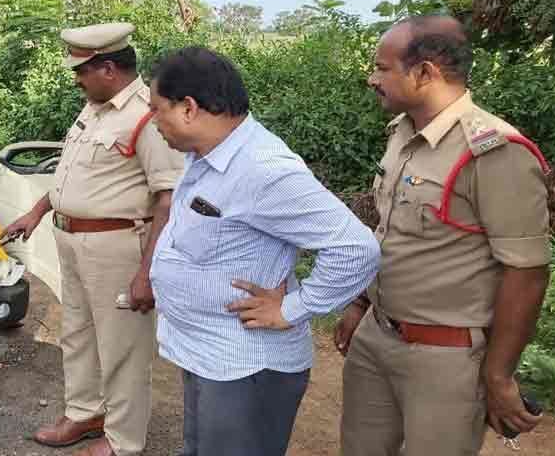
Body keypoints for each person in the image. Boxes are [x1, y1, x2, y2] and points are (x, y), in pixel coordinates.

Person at [147, 46, 380, 456]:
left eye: (156, 109)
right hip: (209, 353)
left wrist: (292, 308)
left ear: (188, 108)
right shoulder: (205, 157)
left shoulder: (263, 169)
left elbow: (356, 247)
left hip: (246, 366)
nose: (152, 121)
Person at [336, 15, 552, 455]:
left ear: (425, 73)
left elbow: (526, 274)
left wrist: (498, 375)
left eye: (382, 68)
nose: (371, 78)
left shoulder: (494, 152)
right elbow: (389, 232)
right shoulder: (402, 133)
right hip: (377, 337)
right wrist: (361, 303)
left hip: (444, 358)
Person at [1, 22, 184, 456]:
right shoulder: (95, 108)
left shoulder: (147, 115)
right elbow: (73, 177)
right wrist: (37, 211)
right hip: (73, 240)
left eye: (81, 72)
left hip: (117, 246)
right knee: (78, 333)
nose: (77, 80)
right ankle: (84, 414)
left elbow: (168, 199)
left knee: (122, 347)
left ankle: (122, 441)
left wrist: (148, 272)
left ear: (107, 68)